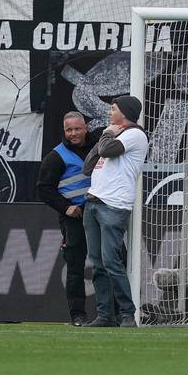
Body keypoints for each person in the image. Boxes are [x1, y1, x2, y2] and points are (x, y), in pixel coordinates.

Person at [82, 96, 148, 328]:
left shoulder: (134, 134)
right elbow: (87, 167)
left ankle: (127, 314)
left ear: (125, 112)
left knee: (111, 260)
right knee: (97, 263)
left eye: (113, 108)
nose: (110, 112)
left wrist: (106, 135)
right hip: (93, 202)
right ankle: (105, 315)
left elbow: (108, 150)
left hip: (113, 204)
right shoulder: (112, 134)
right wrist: (104, 136)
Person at [37, 111, 101, 327]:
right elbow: (44, 190)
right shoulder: (56, 156)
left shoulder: (101, 146)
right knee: (75, 268)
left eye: (77, 129)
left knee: (113, 263)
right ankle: (77, 315)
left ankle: (115, 312)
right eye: (68, 130)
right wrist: (66, 208)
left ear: (86, 128)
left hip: (102, 216)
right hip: (75, 218)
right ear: (64, 131)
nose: (73, 133)